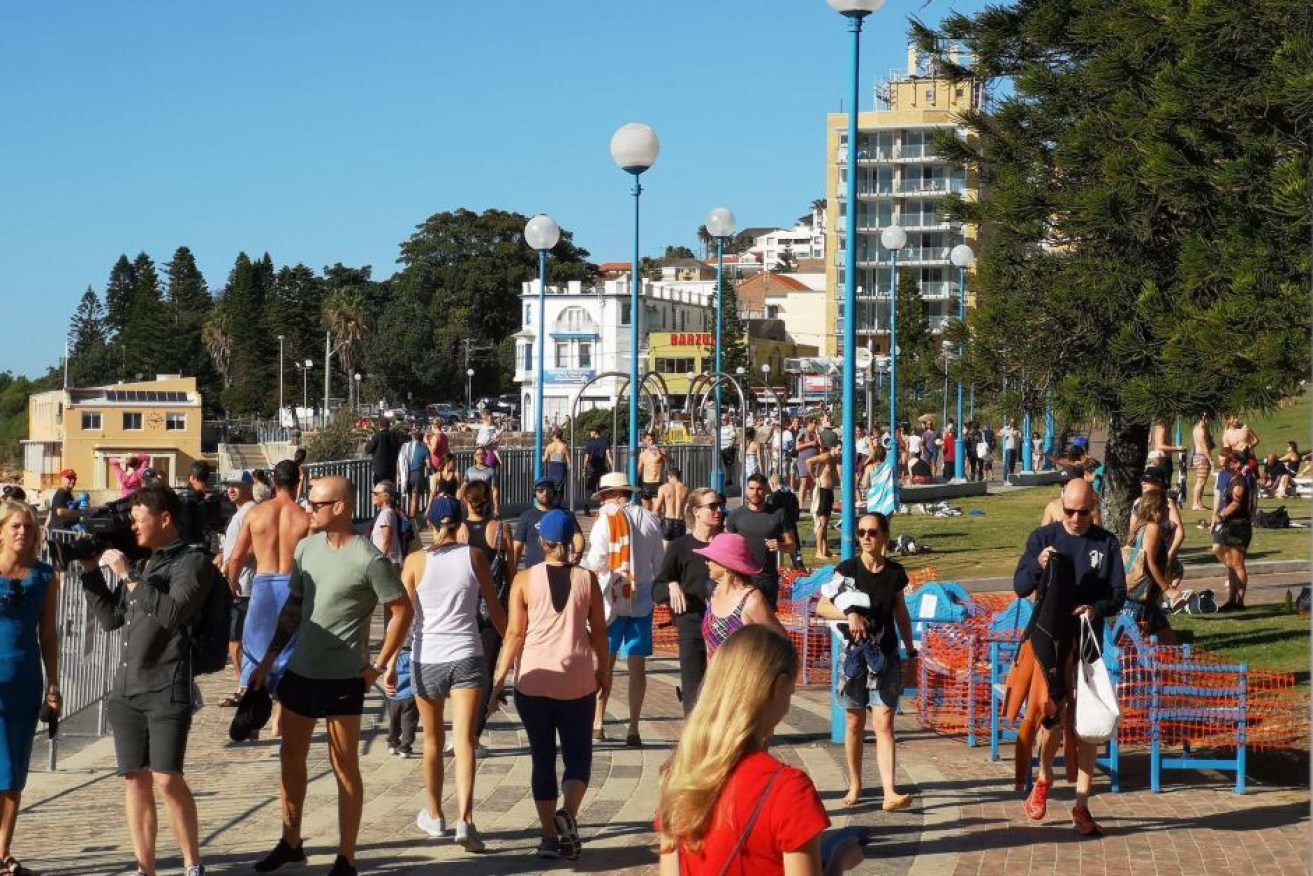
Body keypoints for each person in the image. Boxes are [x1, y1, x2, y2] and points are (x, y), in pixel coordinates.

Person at [249, 475, 414, 876]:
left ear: (339, 507)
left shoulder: (368, 558)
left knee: (344, 768)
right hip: (300, 673)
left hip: (344, 679)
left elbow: (402, 610)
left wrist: (381, 664)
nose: (308, 510)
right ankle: (291, 842)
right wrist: (269, 660)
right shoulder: (305, 548)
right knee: (291, 759)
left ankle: (347, 857)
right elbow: (293, 608)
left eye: (316, 504)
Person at [656, 625, 864, 876]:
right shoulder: (789, 789)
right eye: (790, 692)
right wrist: (839, 861)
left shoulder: (680, 775)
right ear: (778, 686)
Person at [80, 484, 213, 876]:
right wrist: (90, 574)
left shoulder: (193, 562)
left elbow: (173, 613)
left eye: (140, 520)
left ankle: (192, 864)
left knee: (167, 778)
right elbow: (111, 618)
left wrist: (129, 575)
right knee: (134, 780)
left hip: (167, 685)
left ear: (165, 519)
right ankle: (145, 868)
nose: (133, 528)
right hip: (127, 688)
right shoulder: (150, 563)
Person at [490, 509, 610, 861]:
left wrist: (499, 680)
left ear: (541, 542)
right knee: (578, 757)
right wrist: (603, 669)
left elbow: (514, 634)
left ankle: (547, 838)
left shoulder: (524, 580)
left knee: (541, 758)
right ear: (572, 539)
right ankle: (568, 814)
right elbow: (599, 633)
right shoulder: (587, 580)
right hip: (577, 680)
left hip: (533, 681)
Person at [1012, 477, 1126, 837]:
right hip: (1050, 642)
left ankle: (1082, 805)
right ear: (1061, 504)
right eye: (1070, 511)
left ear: (1095, 507)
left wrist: (1095, 608)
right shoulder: (1042, 538)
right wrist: (1039, 566)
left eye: (1085, 512)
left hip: (1087, 641)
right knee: (1052, 713)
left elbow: (1118, 594)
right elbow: (1020, 586)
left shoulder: (1105, 544)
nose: (1077, 518)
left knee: (1089, 725)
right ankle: (1043, 779)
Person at [403, 496, 507, 853]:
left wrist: (389, 660)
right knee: (463, 741)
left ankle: (434, 815)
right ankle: (466, 819)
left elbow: (403, 614)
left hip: (427, 655)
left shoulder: (415, 561)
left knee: (431, 741)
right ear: (461, 523)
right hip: (467, 652)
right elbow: (495, 609)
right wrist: (512, 649)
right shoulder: (475, 557)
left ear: (428, 524)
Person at [816, 512, 917, 811]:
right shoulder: (847, 570)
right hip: (853, 656)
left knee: (884, 722)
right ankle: (856, 783)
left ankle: (889, 792)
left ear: (885, 536)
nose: (866, 538)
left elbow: (901, 614)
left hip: (884, 655)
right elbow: (823, 605)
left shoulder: (895, 573)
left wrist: (910, 652)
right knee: (854, 721)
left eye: (873, 532)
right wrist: (850, 613)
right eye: (861, 532)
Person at [226, 460, 311, 740]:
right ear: (297, 483)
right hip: (291, 585)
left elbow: (236, 556)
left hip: (262, 586)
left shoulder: (257, 514)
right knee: (288, 652)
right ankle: (278, 723)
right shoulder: (304, 517)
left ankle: (251, 723)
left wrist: (232, 583)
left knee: (255, 651)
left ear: (274, 482)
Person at [0, 501, 61, 876]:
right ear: (1, 530)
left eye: (30, 527)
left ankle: (2, 851)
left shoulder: (45, 576)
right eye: (16, 526)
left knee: (11, 769)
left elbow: (49, 634)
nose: (24, 532)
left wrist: (53, 684)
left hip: (24, 680)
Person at [584, 473, 663, 747]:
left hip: (611, 600)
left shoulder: (605, 520)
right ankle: (633, 727)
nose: (602, 502)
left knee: (604, 663)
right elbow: (659, 564)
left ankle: (598, 723)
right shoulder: (651, 520)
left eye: (605, 496)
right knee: (637, 665)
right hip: (641, 601)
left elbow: (596, 560)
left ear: (617, 495)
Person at [456, 479, 516, 749]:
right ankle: (474, 736)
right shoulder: (501, 530)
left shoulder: (460, 531)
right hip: (494, 608)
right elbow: (512, 571)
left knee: (464, 673)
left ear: (466, 501)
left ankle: (461, 733)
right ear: (489, 501)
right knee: (486, 672)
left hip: (465, 609)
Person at [654, 488, 724, 714]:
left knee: (723, 690)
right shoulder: (680, 547)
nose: (718, 510)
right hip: (692, 626)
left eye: (719, 505)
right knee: (693, 691)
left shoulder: (727, 544)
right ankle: (694, 742)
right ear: (696, 512)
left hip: (725, 628)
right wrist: (671, 585)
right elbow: (656, 589)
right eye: (712, 506)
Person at [697, 533, 786, 659]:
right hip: (716, 677)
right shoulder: (714, 593)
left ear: (725, 565)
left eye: (711, 559)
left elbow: (783, 642)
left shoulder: (752, 601)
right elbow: (709, 648)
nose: (707, 563)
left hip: (746, 677)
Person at [218, 470, 257, 711]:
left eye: (236, 485)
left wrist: (234, 562)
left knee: (237, 641)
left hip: (243, 584)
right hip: (237, 581)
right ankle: (244, 685)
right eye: (229, 485)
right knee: (237, 640)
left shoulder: (251, 511)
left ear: (248, 486)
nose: (231, 489)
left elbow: (253, 547)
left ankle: (245, 688)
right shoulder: (240, 513)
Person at [726, 474, 794, 609]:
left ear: (766, 490)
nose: (755, 493)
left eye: (759, 489)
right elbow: (726, 547)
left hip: (766, 579)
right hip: (741, 579)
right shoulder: (736, 515)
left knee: (765, 626)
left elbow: (792, 545)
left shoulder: (778, 514)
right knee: (740, 624)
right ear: (746, 489)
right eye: (751, 488)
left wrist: (780, 545)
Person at [1119, 489, 1177, 644]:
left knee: (1170, 647)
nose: (1169, 510)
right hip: (1141, 601)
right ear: (1157, 508)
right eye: (1166, 506)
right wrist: (1167, 589)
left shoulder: (1140, 525)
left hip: (1145, 600)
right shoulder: (1153, 527)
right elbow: (1150, 562)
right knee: (1131, 652)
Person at [1212, 450, 1252, 612]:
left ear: (1238, 464)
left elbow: (1236, 504)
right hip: (1229, 525)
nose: (1226, 464)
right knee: (1227, 561)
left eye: (1230, 461)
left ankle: (1239, 601)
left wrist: (1221, 515)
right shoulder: (1232, 479)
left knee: (1237, 564)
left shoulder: (1240, 482)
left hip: (1239, 526)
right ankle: (1231, 600)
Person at [766, 474, 806, 572]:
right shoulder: (792, 495)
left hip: (777, 527)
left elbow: (770, 513)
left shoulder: (772, 497)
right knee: (796, 552)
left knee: (771, 550)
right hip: (791, 526)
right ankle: (801, 571)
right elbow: (797, 513)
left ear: (772, 483)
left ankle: (773, 570)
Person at [806, 445, 839, 559]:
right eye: (838, 449)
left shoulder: (834, 459)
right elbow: (809, 461)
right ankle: (819, 551)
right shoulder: (826, 456)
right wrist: (813, 477)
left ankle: (825, 549)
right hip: (822, 491)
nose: (840, 452)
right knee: (821, 522)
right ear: (833, 447)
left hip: (829, 492)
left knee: (825, 522)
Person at [369, 481, 405, 572]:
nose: (372, 495)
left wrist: (380, 560)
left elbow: (387, 540)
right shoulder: (388, 512)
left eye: (375, 493)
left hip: (387, 562)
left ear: (386, 496)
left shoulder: (386, 514)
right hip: (389, 561)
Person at [398, 429, 430, 521]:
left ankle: (407, 518)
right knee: (415, 499)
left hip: (405, 474)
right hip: (417, 474)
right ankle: (413, 521)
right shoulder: (424, 449)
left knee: (410, 497)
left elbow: (399, 461)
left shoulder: (405, 447)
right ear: (422, 439)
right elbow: (428, 465)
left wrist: (399, 475)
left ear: (412, 437)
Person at [583, 427, 613, 518]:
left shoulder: (589, 442)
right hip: (602, 468)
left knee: (589, 490)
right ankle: (603, 508)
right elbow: (608, 455)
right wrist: (612, 467)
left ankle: (586, 508)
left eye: (591, 432)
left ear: (595, 432)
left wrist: (584, 469)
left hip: (592, 469)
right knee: (603, 489)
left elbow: (586, 458)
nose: (590, 434)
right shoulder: (605, 441)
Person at [460, 447, 499, 518]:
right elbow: (464, 486)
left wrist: (496, 509)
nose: (480, 456)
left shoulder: (491, 471)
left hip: (485, 504)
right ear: (474, 456)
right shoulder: (469, 470)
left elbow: (494, 490)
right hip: (471, 504)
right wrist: (463, 501)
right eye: (478, 454)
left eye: (482, 454)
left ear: (486, 456)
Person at [656, 467, 690, 542]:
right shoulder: (686, 488)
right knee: (679, 548)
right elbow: (687, 506)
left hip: (668, 520)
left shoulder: (663, 488)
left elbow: (657, 507)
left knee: (666, 549)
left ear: (670, 476)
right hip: (680, 521)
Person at [364, 419, 403, 486]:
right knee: (390, 487)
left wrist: (369, 442)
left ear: (380, 426)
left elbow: (367, 450)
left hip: (379, 469)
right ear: (389, 425)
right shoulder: (394, 436)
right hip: (391, 468)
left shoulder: (376, 436)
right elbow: (398, 447)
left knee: (379, 487)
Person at [1189, 413, 1216, 511]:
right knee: (1200, 481)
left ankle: (1199, 503)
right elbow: (1204, 447)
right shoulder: (1200, 430)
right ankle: (1195, 503)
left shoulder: (1200, 429)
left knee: (1202, 481)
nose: (1209, 421)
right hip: (1202, 457)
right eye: (1207, 418)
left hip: (1200, 456)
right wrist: (1210, 459)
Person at [638, 432, 668, 510]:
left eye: (652, 440)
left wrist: (665, 454)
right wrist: (636, 482)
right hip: (646, 483)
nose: (651, 442)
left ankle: (657, 522)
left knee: (656, 509)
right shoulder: (643, 454)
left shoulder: (660, 452)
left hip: (657, 482)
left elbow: (671, 461)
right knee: (646, 509)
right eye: (649, 440)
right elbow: (639, 468)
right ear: (645, 441)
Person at [543, 429, 570, 495]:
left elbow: (545, 459)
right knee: (560, 485)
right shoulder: (564, 446)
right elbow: (568, 458)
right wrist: (569, 466)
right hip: (560, 466)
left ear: (555, 436)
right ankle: (557, 501)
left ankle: (552, 500)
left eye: (552, 435)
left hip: (552, 466)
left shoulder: (549, 446)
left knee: (551, 484)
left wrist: (539, 458)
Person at [718, 414, 739, 486]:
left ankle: (729, 479)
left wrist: (730, 446)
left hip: (727, 448)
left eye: (724, 419)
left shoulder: (730, 427)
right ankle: (725, 479)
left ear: (728, 420)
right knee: (722, 465)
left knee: (728, 465)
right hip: (720, 448)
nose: (723, 421)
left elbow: (734, 437)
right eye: (722, 420)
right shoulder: (720, 427)